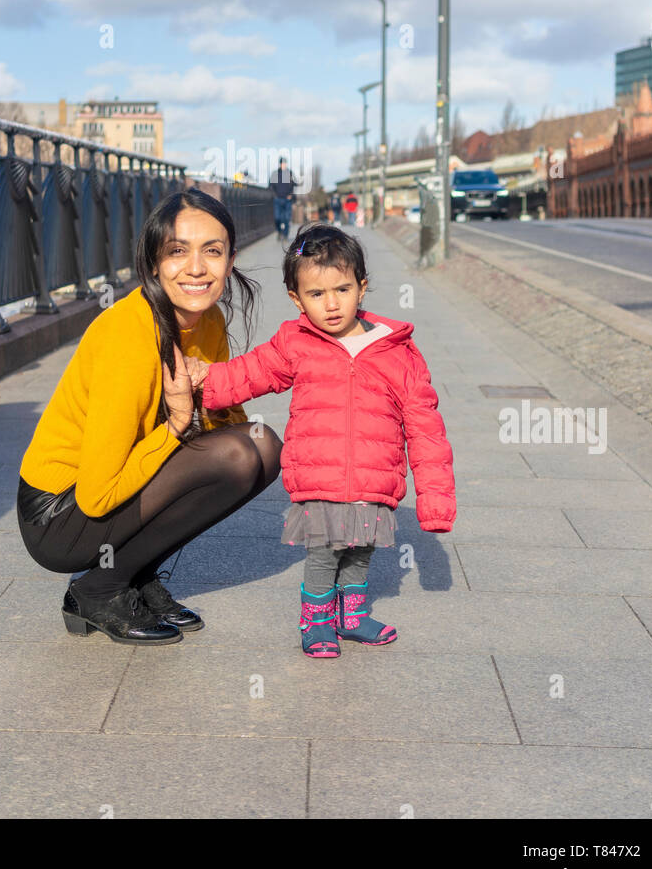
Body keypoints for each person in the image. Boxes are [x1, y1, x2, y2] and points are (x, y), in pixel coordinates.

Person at [16, 188, 283, 645]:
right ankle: (99, 589)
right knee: (238, 456)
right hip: (60, 513)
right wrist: (177, 425)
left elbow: (227, 427)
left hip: (116, 488)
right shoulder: (129, 335)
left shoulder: (210, 319)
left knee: (263, 447)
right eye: (177, 251)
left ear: (231, 260)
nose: (196, 268)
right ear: (154, 262)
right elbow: (98, 497)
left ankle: (135, 576)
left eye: (212, 252)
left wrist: (218, 392)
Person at [186, 223, 455, 658]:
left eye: (342, 289)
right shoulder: (297, 342)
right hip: (318, 475)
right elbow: (252, 372)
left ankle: (353, 617)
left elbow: (426, 426)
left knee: (361, 551)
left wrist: (436, 501)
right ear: (296, 299)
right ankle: (316, 622)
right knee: (325, 553)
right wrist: (205, 381)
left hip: (375, 478)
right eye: (316, 294)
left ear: (362, 287)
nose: (331, 304)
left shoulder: (397, 352)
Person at [269, 157, 298, 240]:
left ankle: (285, 235)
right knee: (277, 218)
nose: (284, 165)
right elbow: (270, 186)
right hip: (277, 199)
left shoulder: (290, 173)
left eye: (285, 163)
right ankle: (279, 231)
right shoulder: (275, 173)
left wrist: (291, 195)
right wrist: (274, 195)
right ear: (280, 164)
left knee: (286, 218)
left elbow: (295, 184)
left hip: (287, 200)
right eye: (283, 163)